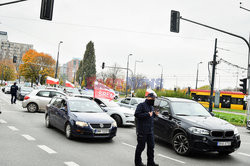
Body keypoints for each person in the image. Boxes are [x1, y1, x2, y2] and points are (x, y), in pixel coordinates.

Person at [134, 93, 159, 166]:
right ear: (148, 98)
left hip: (150, 131)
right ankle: (138, 163)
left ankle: (150, 163)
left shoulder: (151, 106)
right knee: (141, 147)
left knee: (151, 147)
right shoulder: (141, 105)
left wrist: (155, 114)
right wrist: (147, 114)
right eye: (153, 99)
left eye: (154, 99)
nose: (154, 100)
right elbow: (137, 114)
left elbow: (150, 116)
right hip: (142, 130)